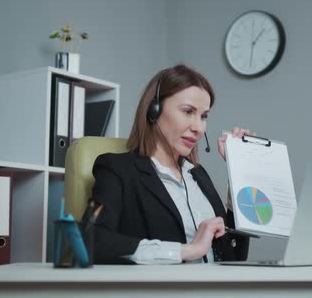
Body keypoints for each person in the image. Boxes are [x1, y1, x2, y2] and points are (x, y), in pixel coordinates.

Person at [90, 64, 252, 264]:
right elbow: (92, 239)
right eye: (187, 111)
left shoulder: (198, 175)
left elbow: (234, 258)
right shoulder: (117, 169)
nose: (198, 128)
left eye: (203, 116)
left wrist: (240, 171)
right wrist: (188, 250)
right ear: (154, 110)